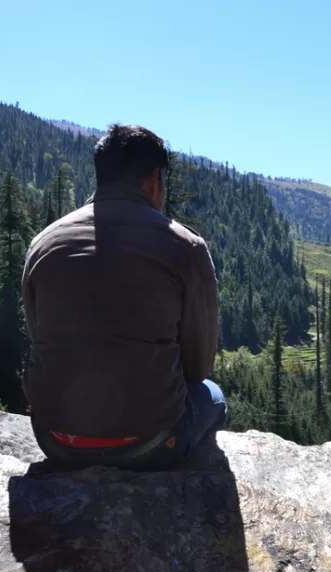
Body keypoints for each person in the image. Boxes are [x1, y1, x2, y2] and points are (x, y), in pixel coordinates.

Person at [22, 124, 227, 471]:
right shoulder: (185, 247)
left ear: (102, 176)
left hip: (55, 438)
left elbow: (37, 337)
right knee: (213, 396)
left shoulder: (43, 243)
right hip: (152, 442)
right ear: (155, 179)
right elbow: (197, 367)